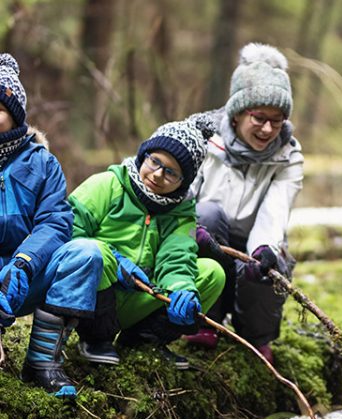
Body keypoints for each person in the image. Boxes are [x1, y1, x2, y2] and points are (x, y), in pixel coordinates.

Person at [20, 119, 226, 398]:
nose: (157, 175)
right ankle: (94, 340)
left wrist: (181, 289)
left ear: (183, 182)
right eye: (155, 162)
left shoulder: (181, 213)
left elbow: (177, 258)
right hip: (93, 294)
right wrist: (117, 262)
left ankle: (144, 342)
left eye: (171, 173)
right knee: (94, 252)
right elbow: (68, 232)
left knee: (212, 272)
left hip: (140, 296)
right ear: (144, 154)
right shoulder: (107, 185)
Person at [185, 42, 304, 364]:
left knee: (270, 264)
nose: (268, 129)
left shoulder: (289, 156)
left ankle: (255, 336)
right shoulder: (203, 140)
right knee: (206, 215)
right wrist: (188, 230)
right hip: (207, 238)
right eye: (260, 117)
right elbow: (184, 200)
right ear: (237, 113)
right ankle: (203, 319)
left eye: (277, 120)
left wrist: (263, 249)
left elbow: (275, 211)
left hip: (253, 245)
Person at [0, 53, 86, 398]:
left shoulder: (43, 164)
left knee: (84, 255)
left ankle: (43, 361)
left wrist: (23, 263)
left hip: (27, 274)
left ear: (16, 115)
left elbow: (55, 222)